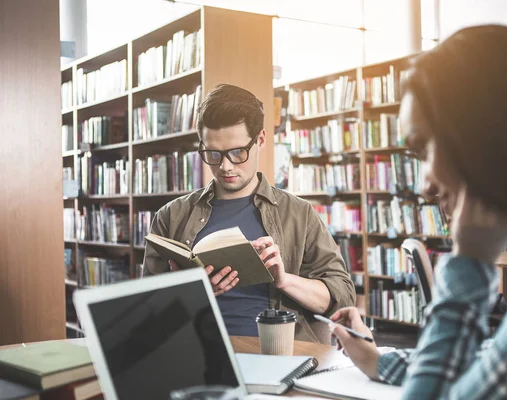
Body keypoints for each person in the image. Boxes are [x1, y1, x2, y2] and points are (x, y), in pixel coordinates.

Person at [330, 25, 507, 399]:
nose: (424, 184)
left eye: (425, 148)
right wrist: (377, 361)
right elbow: (493, 358)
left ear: (486, 132)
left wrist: (472, 261)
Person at [143, 84, 356, 344]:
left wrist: (284, 280)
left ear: (261, 140)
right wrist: (191, 295)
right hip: (196, 351)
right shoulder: (171, 216)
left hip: (279, 355)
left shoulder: (299, 214)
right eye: (213, 153)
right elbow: (146, 311)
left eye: (237, 152)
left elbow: (342, 298)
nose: (225, 166)